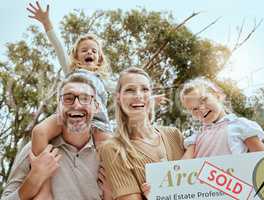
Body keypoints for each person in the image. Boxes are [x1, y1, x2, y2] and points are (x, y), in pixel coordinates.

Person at [26, 2, 114, 198]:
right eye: (84, 50)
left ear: (99, 59)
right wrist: (47, 22)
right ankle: (44, 187)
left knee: (110, 151)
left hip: (97, 122)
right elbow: (58, 46)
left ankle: (110, 192)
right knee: (39, 131)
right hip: (66, 116)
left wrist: (151, 98)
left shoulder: (105, 82)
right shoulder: (72, 71)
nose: (89, 53)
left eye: (93, 51)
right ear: (76, 57)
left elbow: (127, 91)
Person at [1, 70, 112, 200]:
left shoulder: (108, 156)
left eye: (85, 98)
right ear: (58, 107)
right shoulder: (36, 151)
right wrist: (33, 179)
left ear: (96, 107)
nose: (76, 104)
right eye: (68, 99)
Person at [99, 67, 186, 199]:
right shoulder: (114, 149)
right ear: (118, 98)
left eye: (145, 89)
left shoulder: (174, 134)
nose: (138, 95)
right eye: (130, 90)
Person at [179, 77, 264, 159]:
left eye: (203, 100)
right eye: (194, 108)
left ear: (217, 96)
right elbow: (183, 166)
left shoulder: (240, 125)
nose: (201, 109)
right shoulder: (197, 135)